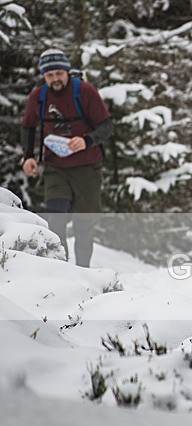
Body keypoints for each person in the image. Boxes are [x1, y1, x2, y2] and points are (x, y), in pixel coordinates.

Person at [20, 48, 113, 267]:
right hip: (55, 168)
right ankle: (61, 272)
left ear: (67, 72)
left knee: (83, 226)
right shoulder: (39, 96)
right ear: (44, 76)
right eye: (50, 75)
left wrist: (87, 140)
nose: (55, 79)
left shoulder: (85, 91)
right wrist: (28, 157)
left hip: (87, 169)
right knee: (56, 219)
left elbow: (107, 126)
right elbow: (28, 126)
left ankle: (83, 272)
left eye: (59, 74)